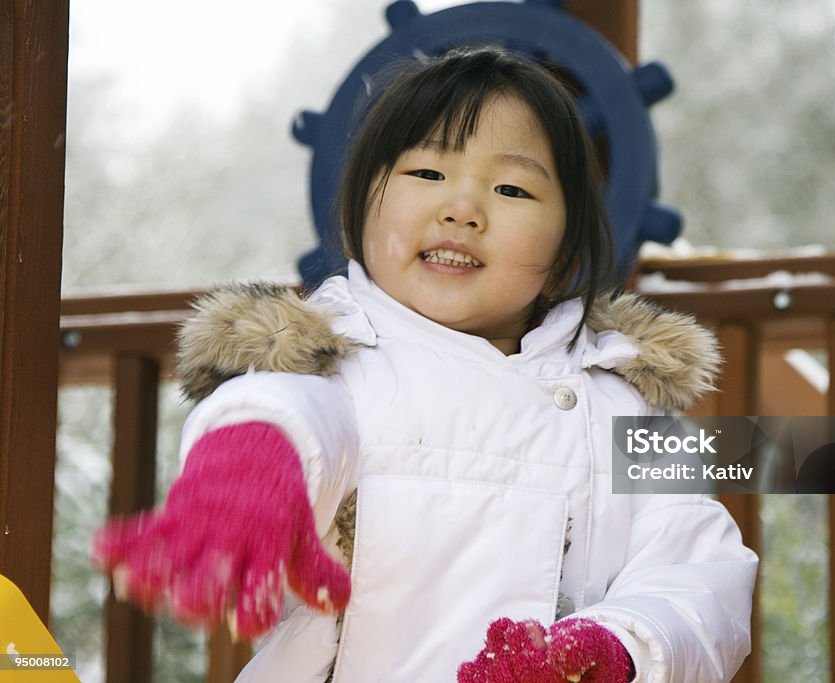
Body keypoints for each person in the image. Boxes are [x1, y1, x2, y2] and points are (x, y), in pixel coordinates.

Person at [92, 47, 758, 683]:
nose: (461, 209)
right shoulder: (333, 364)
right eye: (427, 174)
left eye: (510, 188)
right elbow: (292, 412)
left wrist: (620, 645)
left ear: (564, 252)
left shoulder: (623, 400)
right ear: (356, 217)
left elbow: (698, 570)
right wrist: (250, 467)